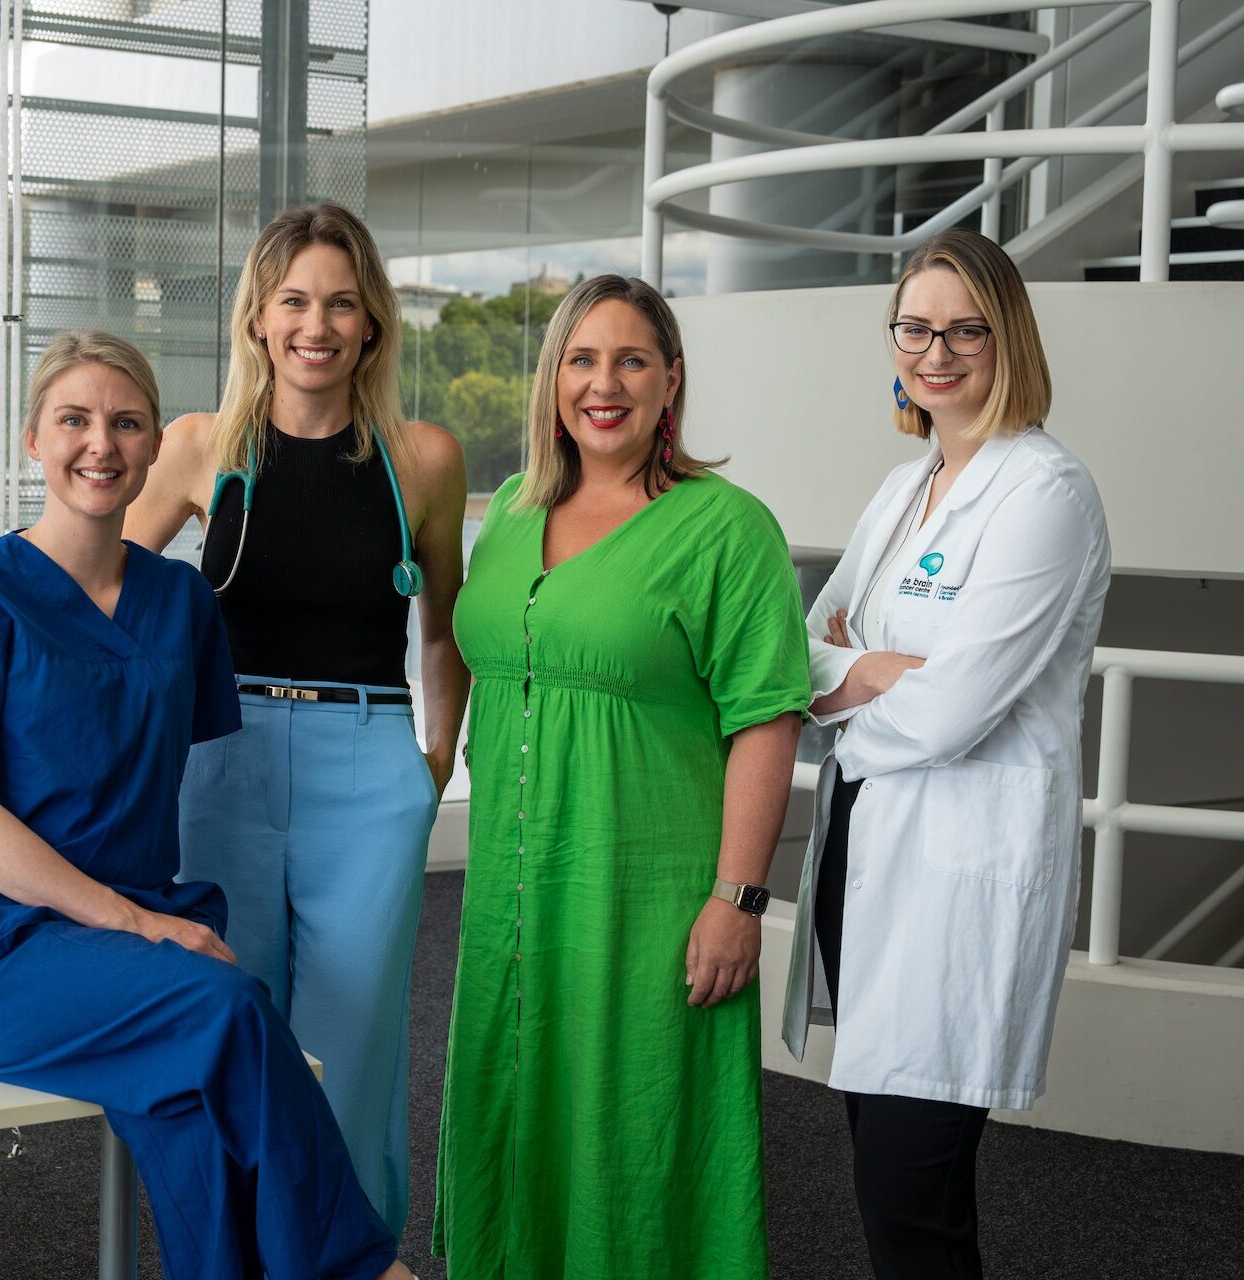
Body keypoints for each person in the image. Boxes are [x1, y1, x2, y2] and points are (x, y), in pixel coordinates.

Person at [0, 332, 413, 1280]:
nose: (100, 445)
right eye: (73, 420)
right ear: (34, 437)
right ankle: (366, 1272)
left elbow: (151, 780)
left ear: (159, 447)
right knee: (232, 1012)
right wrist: (136, 922)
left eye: (126, 422)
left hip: (127, 942)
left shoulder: (181, 603)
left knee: (195, 1109)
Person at [432, 275, 809, 1280]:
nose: (605, 384)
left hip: (646, 892)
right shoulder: (511, 511)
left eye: (631, 359)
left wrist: (736, 898)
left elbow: (767, 720)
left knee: (636, 1130)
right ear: (553, 377)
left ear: (670, 381)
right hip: (510, 893)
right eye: (582, 359)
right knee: (518, 1106)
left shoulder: (726, 527)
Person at [124, 202, 467, 1237]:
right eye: (293, 301)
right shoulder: (196, 448)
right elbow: (101, 600)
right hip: (217, 763)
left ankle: (347, 1257)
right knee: (231, 1024)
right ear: (258, 320)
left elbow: (446, 636)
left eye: (339, 303)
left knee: (351, 1042)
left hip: (366, 768)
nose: (315, 324)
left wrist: (429, 770)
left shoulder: (422, 459)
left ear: (370, 323)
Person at [782, 228, 1111, 1279]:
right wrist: (870, 670)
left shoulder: (1044, 495)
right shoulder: (901, 485)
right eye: (914, 327)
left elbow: (952, 709)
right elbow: (801, 647)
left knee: (909, 1193)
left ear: (1005, 335)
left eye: (964, 327)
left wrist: (856, 681)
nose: (936, 350)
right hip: (866, 856)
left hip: (956, 874)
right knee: (883, 1168)